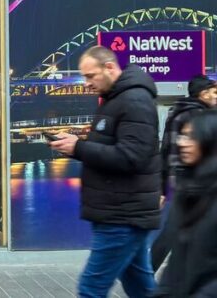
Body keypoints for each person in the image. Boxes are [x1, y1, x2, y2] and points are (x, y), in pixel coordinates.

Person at [50, 46, 162, 298]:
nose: (86, 83)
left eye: (90, 76)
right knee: (140, 286)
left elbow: (131, 157)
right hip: (121, 211)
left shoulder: (134, 101)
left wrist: (79, 148)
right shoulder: (116, 99)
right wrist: (76, 146)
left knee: (91, 288)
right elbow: (113, 148)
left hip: (122, 215)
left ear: (109, 67)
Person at [151, 75, 217, 272]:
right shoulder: (200, 116)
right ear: (203, 94)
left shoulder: (176, 112)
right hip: (198, 180)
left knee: (178, 230)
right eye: (214, 92)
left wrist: (162, 186)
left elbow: (165, 150)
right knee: (176, 230)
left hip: (181, 178)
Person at [155, 110, 217, 297]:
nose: (181, 142)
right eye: (182, 135)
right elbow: (178, 260)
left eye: (191, 137)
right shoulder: (188, 189)